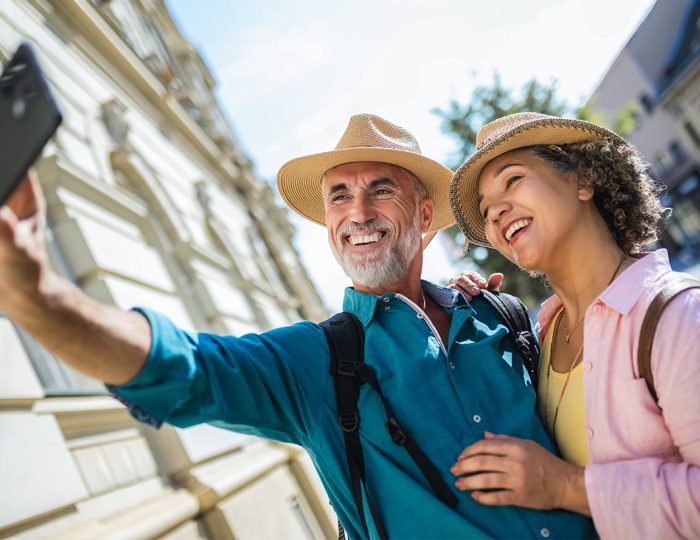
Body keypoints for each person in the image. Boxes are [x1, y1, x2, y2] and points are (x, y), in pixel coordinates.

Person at [0, 113, 595, 539]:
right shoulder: (318, 360)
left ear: (425, 214)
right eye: (339, 197)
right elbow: (182, 368)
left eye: (380, 191)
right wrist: (40, 297)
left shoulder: (501, 317)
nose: (356, 214)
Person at [448, 112, 700, 539]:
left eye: (512, 180)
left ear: (583, 180)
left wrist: (563, 487)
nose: (495, 213)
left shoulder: (678, 315)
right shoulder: (539, 338)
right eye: (486, 210)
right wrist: (463, 314)